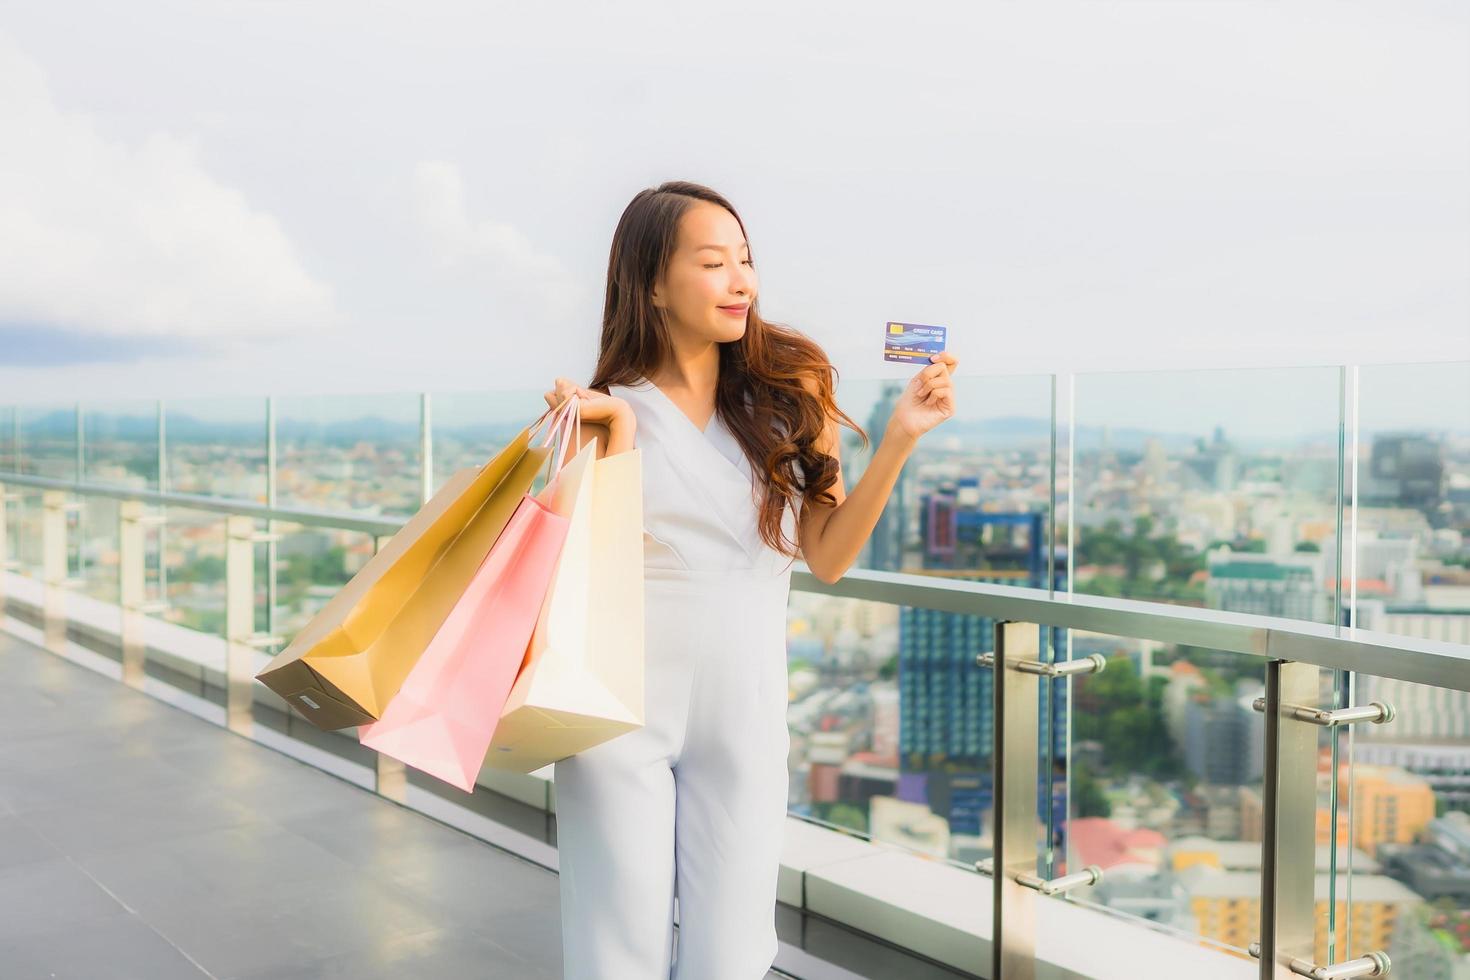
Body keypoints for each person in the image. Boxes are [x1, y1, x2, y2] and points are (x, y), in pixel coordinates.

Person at [543, 180, 959, 980]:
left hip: (747, 710)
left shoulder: (791, 394)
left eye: (746, 260)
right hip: (616, 706)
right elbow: (581, 564)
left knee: (733, 956)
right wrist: (613, 436)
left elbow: (828, 555)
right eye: (713, 262)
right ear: (653, 284)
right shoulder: (605, 411)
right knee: (611, 951)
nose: (742, 281)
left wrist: (901, 437)